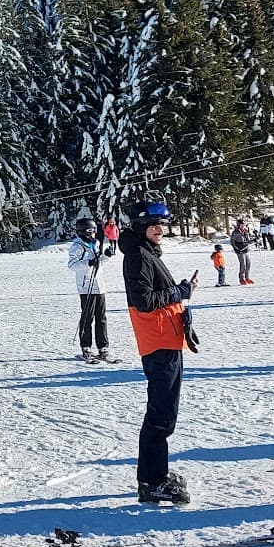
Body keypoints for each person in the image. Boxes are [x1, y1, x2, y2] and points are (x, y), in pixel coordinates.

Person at [121, 198, 195, 505]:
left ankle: (154, 475)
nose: (159, 230)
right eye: (154, 225)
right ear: (141, 227)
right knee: (160, 416)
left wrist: (181, 310)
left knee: (165, 413)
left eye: (161, 225)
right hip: (158, 344)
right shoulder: (138, 256)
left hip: (167, 340)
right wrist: (180, 291)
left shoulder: (146, 252)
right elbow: (145, 301)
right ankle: (152, 482)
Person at [66, 218, 112, 362]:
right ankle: (86, 347)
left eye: (94, 231)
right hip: (86, 287)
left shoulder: (96, 244)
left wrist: (106, 256)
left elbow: (99, 263)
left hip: (99, 286)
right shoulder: (77, 247)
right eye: (89, 232)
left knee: (102, 318)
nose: (92, 234)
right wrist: (89, 263)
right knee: (87, 318)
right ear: (82, 232)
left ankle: (103, 347)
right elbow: (72, 265)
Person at [229, 219, 255, 285]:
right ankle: (241, 279)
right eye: (241, 225)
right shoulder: (235, 232)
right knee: (242, 264)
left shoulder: (246, 231)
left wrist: (255, 239)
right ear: (238, 225)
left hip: (246, 249)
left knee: (248, 264)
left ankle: (247, 277)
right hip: (240, 250)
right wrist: (236, 249)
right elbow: (232, 242)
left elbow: (248, 241)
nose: (242, 226)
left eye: (243, 225)